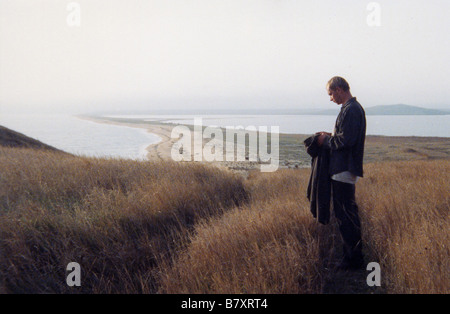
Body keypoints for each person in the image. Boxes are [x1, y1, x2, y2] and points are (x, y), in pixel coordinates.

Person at [317, 76, 366, 270]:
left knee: (345, 215)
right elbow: (344, 137)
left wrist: (325, 142)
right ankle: (353, 257)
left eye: (330, 94)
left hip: (343, 169)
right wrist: (330, 136)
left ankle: (352, 260)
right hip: (343, 169)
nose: (330, 98)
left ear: (339, 89)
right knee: (346, 214)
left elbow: (346, 141)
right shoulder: (350, 109)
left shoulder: (351, 110)